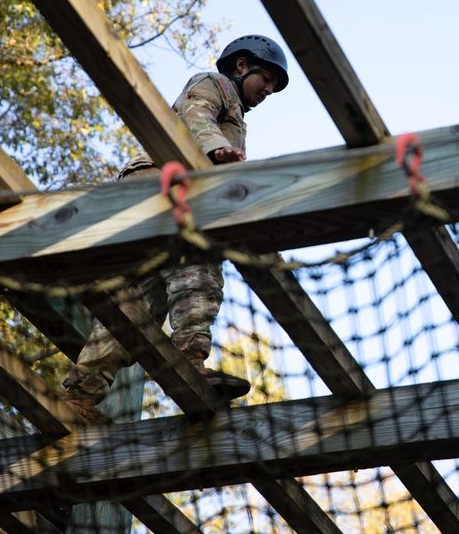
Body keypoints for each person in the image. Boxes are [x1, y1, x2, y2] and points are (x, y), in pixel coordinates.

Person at [61, 35, 289, 423]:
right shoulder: (214, 86)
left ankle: (79, 396)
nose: (268, 89)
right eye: (265, 78)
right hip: (162, 187)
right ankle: (191, 358)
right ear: (241, 66)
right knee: (198, 263)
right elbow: (195, 112)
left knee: (136, 305)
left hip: (153, 208)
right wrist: (217, 149)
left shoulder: (238, 118)